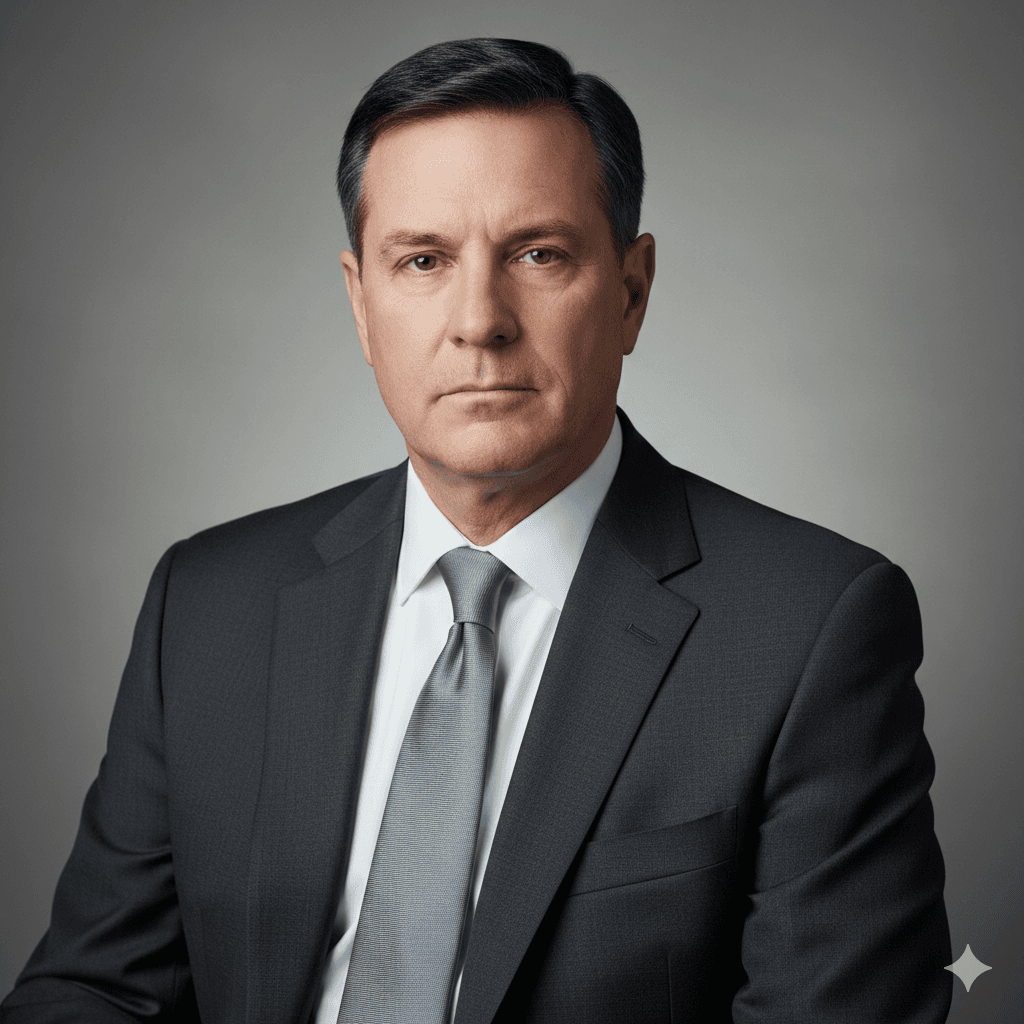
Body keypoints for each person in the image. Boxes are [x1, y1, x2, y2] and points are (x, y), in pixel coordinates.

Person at [1, 37, 952, 1024]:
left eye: (538, 255)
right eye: (422, 260)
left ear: (630, 291)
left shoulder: (809, 628)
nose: (479, 321)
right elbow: (96, 990)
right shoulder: (208, 602)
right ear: (360, 304)